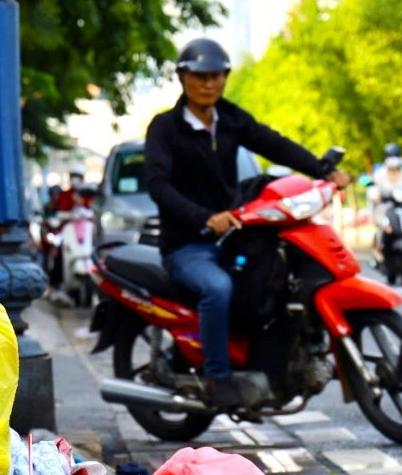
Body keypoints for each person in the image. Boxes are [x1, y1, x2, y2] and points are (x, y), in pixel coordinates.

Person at [144, 37, 352, 408]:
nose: (209, 83)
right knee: (219, 289)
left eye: (217, 75)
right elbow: (158, 185)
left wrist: (323, 170)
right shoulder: (164, 127)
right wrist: (204, 217)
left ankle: (269, 365)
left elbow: (273, 144)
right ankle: (217, 378)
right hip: (186, 245)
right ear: (182, 77)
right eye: (200, 76)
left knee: (275, 280)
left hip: (231, 238)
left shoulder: (230, 118)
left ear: (224, 78)